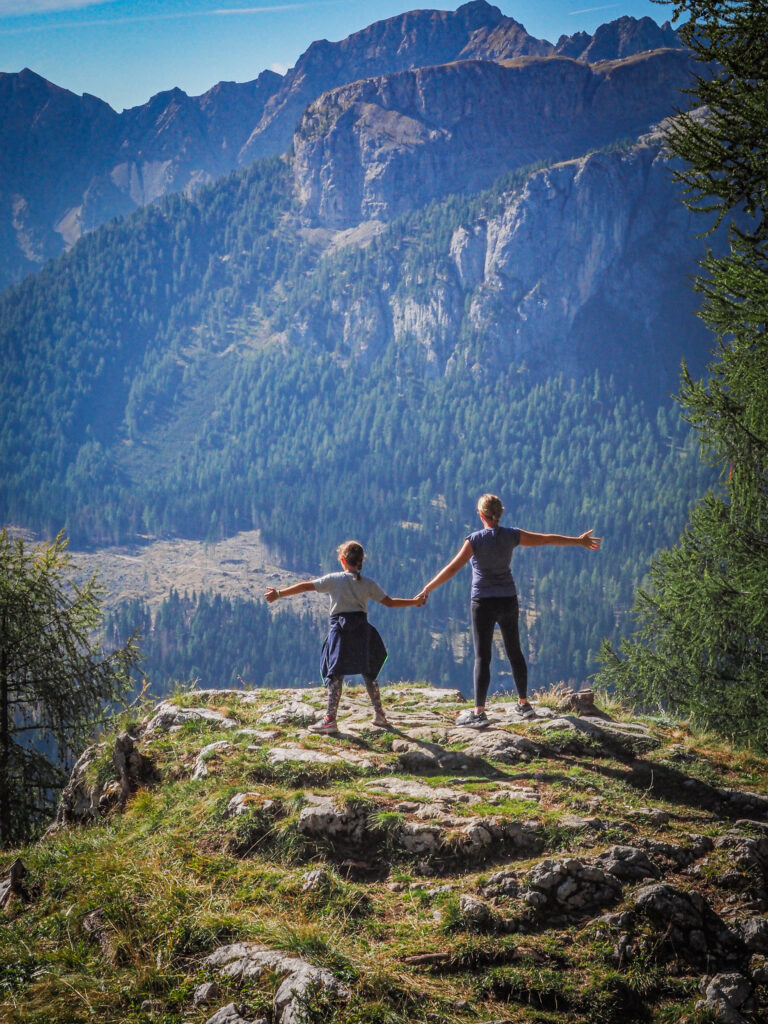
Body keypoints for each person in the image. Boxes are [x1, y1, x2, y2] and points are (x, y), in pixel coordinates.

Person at [417, 494, 601, 728]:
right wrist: (578, 541)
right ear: (499, 513)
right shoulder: (512, 535)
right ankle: (524, 704)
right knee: (515, 652)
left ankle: (479, 712)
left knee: (483, 657)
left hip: (483, 602)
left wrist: (427, 588)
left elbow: (453, 567)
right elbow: (545, 540)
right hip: (508, 600)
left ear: (481, 515)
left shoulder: (474, 540)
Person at [265, 540, 425, 734]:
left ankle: (330, 720)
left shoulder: (334, 580)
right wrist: (414, 602)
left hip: (340, 630)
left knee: (335, 673)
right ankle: (380, 715)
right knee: (369, 672)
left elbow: (306, 586)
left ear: (342, 560)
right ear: (361, 561)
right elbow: (390, 603)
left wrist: (279, 593)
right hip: (362, 630)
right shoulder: (368, 584)